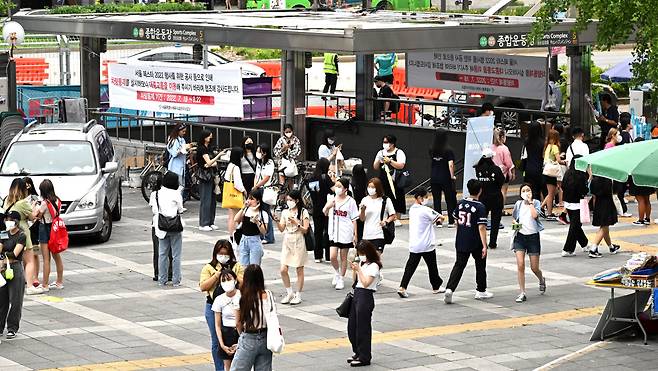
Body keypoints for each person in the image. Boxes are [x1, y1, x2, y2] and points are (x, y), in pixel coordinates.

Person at [444, 179, 493, 304]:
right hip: (475, 241)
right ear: (480, 190)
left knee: (459, 265)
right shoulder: (480, 207)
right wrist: (484, 245)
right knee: (480, 265)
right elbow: (481, 227)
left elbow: (455, 221)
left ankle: (450, 288)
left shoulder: (460, 203)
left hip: (461, 240)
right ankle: (481, 290)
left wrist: (460, 233)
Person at [199, 240, 245, 371]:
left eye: (226, 254)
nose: (223, 257)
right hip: (213, 306)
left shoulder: (236, 266)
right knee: (216, 340)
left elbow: (244, 284)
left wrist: (231, 275)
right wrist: (216, 276)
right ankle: (220, 369)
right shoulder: (208, 267)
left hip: (234, 306)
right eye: (220, 254)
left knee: (237, 338)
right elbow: (203, 286)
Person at [397, 188, 444, 298]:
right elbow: (440, 218)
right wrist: (437, 222)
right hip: (426, 244)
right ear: (419, 198)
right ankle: (436, 286)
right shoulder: (425, 210)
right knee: (432, 266)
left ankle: (402, 287)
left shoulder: (413, 210)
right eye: (426, 197)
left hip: (414, 244)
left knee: (410, 267)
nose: (427, 199)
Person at [231, 264, 274, 371]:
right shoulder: (267, 294)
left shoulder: (240, 296)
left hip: (249, 337)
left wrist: (242, 336)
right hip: (265, 338)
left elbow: (238, 323)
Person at [347, 240, 381, 368]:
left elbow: (366, 283)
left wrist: (359, 270)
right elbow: (356, 281)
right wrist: (355, 269)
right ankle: (357, 351)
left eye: (362, 253)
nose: (361, 256)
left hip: (366, 296)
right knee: (352, 327)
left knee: (363, 328)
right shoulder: (362, 263)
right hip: (357, 293)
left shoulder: (374, 266)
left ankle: (364, 356)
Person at [3, 178, 39, 294]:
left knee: (12, 259)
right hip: (22, 231)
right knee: (29, 260)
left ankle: (12, 281)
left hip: (8, 233)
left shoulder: (6, 200)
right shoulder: (23, 203)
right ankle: (29, 286)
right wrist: (34, 205)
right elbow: (32, 217)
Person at [511, 184, 546, 303]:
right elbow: (514, 217)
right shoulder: (518, 204)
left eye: (528, 190)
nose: (526, 192)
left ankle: (541, 279)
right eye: (524, 191)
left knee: (534, 267)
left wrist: (530, 202)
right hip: (520, 237)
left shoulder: (535, 203)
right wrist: (515, 223)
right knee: (520, 265)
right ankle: (522, 292)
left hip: (533, 238)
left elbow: (535, 215)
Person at [324, 178, 358, 291]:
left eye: (339, 186)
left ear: (345, 189)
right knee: (332, 256)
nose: (337, 188)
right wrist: (328, 206)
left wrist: (355, 234)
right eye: (336, 186)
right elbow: (324, 212)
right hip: (333, 233)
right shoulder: (331, 199)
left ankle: (341, 279)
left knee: (344, 257)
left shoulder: (351, 201)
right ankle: (337, 272)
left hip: (346, 233)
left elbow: (354, 219)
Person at [150, 172, 184, 286]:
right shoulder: (176, 193)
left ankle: (162, 279)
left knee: (162, 254)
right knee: (176, 255)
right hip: (175, 226)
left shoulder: (155, 194)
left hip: (160, 227)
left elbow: (154, 210)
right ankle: (176, 280)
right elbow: (180, 208)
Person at [277, 190, 309, 305]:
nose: (289, 202)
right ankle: (289, 292)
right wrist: (277, 221)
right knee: (283, 269)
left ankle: (298, 294)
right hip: (287, 240)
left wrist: (296, 223)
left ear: (297, 200)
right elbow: (281, 229)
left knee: (299, 269)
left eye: (291, 200)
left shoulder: (303, 212)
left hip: (299, 240)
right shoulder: (285, 212)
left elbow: (305, 230)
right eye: (288, 200)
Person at [31, 180, 64, 290]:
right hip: (55, 229)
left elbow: (37, 216)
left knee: (46, 259)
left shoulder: (45, 203)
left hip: (44, 229)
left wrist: (34, 205)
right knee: (57, 256)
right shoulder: (58, 200)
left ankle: (45, 285)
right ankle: (59, 282)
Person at [0, 211, 27, 340]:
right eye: (7, 219)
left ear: (17, 221)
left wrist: (3, 258)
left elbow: (14, 254)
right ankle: (0, 327)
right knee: (2, 300)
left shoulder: (21, 235)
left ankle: (12, 328)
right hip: (2, 269)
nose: (8, 221)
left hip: (15, 269)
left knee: (15, 300)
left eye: (10, 219)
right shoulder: (4, 234)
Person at [474, 149, 504, 249]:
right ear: (491, 157)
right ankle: (492, 242)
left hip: (482, 198)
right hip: (496, 198)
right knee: (495, 221)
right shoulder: (496, 169)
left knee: (482, 221)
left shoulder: (478, 168)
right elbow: (501, 181)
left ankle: (481, 241)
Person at [561, 155, 590, 257]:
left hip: (568, 203)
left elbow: (563, 186)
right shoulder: (581, 175)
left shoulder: (568, 173)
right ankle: (568, 249)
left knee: (576, 226)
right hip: (578, 203)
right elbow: (584, 190)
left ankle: (585, 243)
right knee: (575, 226)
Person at [372, 135, 407, 221]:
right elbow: (375, 167)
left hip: (396, 180)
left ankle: (397, 218)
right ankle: (385, 217)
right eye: (384, 142)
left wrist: (390, 161)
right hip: (384, 180)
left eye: (386, 142)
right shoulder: (381, 152)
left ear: (392, 144)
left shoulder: (399, 152)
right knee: (385, 198)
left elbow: (401, 165)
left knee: (397, 198)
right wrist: (379, 161)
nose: (384, 144)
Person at [212, 269, 241, 371]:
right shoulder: (219, 299)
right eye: (223, 281)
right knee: (227, 367)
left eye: (229, 279)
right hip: (226, 334)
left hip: (241, 333)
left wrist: (242, 340)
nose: (226, 283)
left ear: (235, 280)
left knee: (242, 365)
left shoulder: (242, 296)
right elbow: (218, 325)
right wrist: (222, 344)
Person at [359, 178, 396, 255]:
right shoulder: (365, 200)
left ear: (378, 188)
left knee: (376, 258)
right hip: (367, 234)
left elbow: (393, 215)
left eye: (373, 187)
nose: (370, 189)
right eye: (369, 187)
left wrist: (386, 221)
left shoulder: (385, 200)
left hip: (379, 234)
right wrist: (362, 210)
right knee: (366, 259)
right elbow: (362, 219)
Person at [307, 158, 334, 263]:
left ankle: (318, 256)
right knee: (327, 231)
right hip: (327, 208)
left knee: (318, 232)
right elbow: (333, 189)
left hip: (315, 208)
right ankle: (328, 255)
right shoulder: (325, 177)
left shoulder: (311, 178)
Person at [430, 129, 458, 227]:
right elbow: (450, 164)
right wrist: (452, 176)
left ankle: (438, 221)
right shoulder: (448, 150)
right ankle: (450, 221)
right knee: (449, 199)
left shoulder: (432, 149)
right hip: (445, 177)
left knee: (436, 200)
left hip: (434, 177)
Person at [588, 176, 621, 257]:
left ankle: (611, 247)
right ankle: (593, 248)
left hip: (598, 204)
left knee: (605, 227)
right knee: (604, 227)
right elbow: (615, 192)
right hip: (608, 204)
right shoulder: (610, 180)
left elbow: (593, 194)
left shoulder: (594, 180)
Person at [234, 189, 269, 266]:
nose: (249, 201)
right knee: (243, 267)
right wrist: (243, 207)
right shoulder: (246, 210)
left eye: (252, 199)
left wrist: (257, 222)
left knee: (254, 267)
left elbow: (264, 231)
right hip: (244, 240)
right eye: (249, 198)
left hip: (255, 241)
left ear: (258, 201)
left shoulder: (263, 214)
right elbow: (236, 219)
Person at [197, 130, 222, 232]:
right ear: (204, 137)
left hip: (211, 175)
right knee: (206, 199)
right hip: (204, 176)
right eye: (209, 137)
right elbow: (208, 162)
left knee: (212, 200)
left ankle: (211, 221)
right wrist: (218, 156)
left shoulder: (209, 148)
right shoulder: (202, 149)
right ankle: (203, 223)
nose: (210, 138)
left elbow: (211, 164)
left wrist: (212, 163)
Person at [253, 143, 275, 244]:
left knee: (266, 212)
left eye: (259, 151)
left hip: (266, 189)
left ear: (265, 153)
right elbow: (256, 175)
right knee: (261, 212)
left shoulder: (270, 162)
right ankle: (262, 234)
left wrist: (257, 186)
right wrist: (255, 186)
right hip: (258, 189)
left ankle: (269, 236)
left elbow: (267, 177)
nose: (257, 153)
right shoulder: (259, 162)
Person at [167, 124, 195, 201]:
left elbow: (184, 150)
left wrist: (188, 148)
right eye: (183, 131)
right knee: (176, 186)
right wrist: (183, 149)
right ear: (178, 131)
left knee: (181, 185)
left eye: (185, 131)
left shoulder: (182, 140)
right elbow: (174, 153)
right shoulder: (173, 140)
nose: (184, 133)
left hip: (181, 165)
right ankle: (174, 203)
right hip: (175, 166)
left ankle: (179, 203)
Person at [224, 147, 247, 239]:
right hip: (235, 194)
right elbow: (237, 184)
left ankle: (231, 234)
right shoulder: (236, 168)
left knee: (231, 216)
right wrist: (244, 191)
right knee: (236, 216)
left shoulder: (230, 165)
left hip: (229, 194)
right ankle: (234, 234)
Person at [491, 128, 515, 215]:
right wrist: (512, 171)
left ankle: (494, 207)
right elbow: (508, 163)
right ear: (502, 137)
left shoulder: (491, 147)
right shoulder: (504, 148)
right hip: (503, 173)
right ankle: (501, 209)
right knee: (503, 191)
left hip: (493, 172)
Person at [540, 129, 562, 220]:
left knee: (553, 191)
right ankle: (549, 213)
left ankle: (542, 208)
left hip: (546, 171)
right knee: (551, 193)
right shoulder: (555, 147)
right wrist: (563, 160)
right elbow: (558, 160)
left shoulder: (547, 146)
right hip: (552, 173)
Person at [521, 121, 545, 201]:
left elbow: (523, 157)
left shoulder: (527, 142)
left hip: (529, 168)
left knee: (529, 190)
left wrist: (522, 169)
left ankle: (529, 208)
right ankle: (538, 209)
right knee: (539, 191)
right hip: (540, 169)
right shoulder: (543, 143)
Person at [23, 177, 40, 285]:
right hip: (24, 228)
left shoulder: (34, 198)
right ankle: (27, 276)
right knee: (25, 253)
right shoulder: (19, 198)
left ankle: (35, 277)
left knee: (35, 253)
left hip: (34, 228)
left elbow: (36, 213)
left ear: (29, 185)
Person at [350, 164, 368, 240]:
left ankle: (357, 241)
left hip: (355, 206)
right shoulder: (366, 182)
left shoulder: (352, 184)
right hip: (365, 206)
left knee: (356, 227)